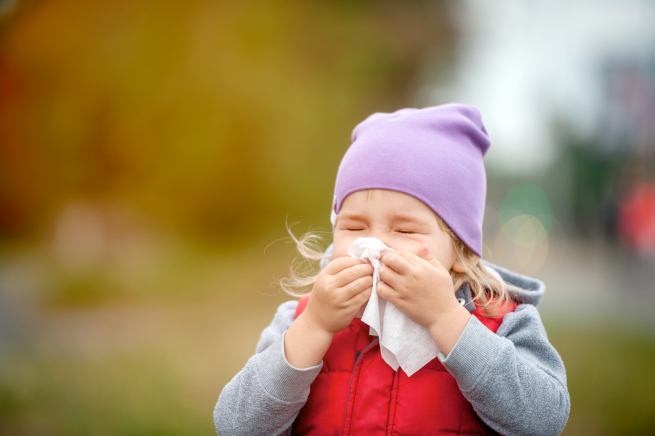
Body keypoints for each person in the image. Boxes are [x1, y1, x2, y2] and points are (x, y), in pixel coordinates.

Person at [213, 104, 570, 436]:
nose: (376, 245)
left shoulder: (503, 321)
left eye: (404, 230)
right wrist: (315, 327)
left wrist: (446, 318)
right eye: (354, 227)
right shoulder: (300, 318)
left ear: (461, 250)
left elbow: (544, 420)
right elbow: (236, 426)